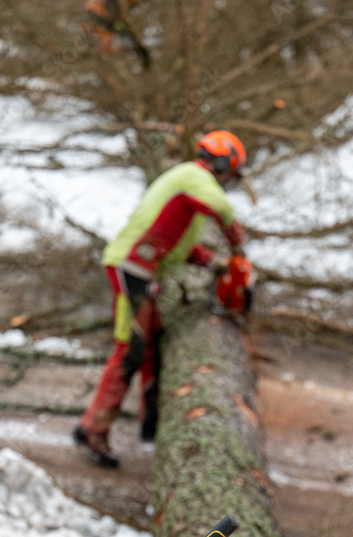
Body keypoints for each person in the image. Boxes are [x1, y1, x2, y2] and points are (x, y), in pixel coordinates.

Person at [73, 130, 247, 468]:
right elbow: (219, 207)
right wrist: (236, 241)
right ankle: (93, 427)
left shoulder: (187, 193)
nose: (228, 182)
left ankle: (149, 424)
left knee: (152, 340)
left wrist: (216, 262)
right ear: (223, 163)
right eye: (230, 173)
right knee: (132, 348)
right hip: (132, 266)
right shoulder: (193, 176)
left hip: (140, 267)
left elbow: (182, 247)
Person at [81, 0, 156, 60]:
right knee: (113, 34)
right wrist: (114, 17)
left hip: (103, 16)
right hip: (98, 13)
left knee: (125, 34)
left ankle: (140, 54)